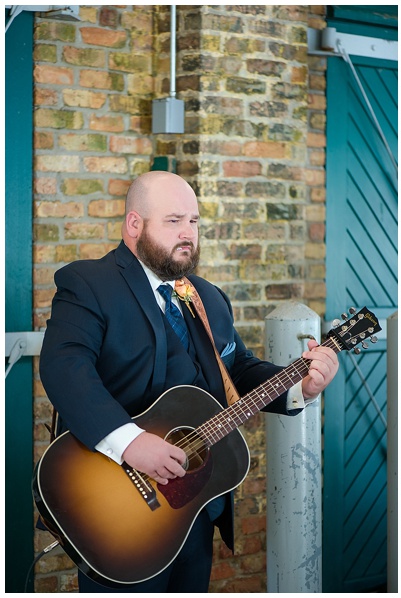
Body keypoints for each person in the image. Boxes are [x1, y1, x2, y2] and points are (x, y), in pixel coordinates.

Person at [39, 171, 339, 592]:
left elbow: (237, 371)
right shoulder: (89, 283)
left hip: (194, 507)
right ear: (134, 225)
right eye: (174, 220)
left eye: (194, 222)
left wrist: (300, 387)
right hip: (116, 513)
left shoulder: (209, 297)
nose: (188, 234)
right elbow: (64, 367)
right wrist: (131, 443)